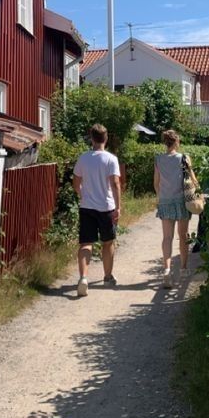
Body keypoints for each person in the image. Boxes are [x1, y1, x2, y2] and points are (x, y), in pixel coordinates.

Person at [72, 123, 121, 297]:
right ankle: (107, 277)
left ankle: (83, 278)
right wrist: (118, 206)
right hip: (106, 207)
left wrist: (82, 194)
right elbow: (115, 184)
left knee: (86, 243)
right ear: (105, 139)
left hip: (87, 206)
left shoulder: (83, 158)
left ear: (91, 139)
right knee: (107, 243)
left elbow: (76, 182)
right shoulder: (110, 159)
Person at [153, 129, 198, 288]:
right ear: (177, 142)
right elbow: (193, 180)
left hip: (165, 201)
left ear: (165, 143)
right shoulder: (184, 158)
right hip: (182, 201)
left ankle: (166, 270)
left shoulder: (158, 159)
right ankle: (184, 268)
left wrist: (161, 196)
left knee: (167, 238)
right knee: (183, 235)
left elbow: (156, 183)